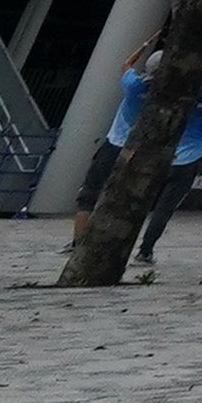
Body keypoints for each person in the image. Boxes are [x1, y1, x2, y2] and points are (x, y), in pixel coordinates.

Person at [121, 64, 202, 282]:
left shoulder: (182, 97)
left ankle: (120, 241)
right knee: (163, 208)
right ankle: (145, 250)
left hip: (163, 154)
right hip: (189, 160)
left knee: (139, 199)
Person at [72, 43, 161, 255]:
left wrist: (143, 47)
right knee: (126, 198)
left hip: (113, 146)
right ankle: (111, 244)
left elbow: (127, 64)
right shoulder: (164, 98)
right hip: (139, 152)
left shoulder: (134, 86)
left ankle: (78, 242)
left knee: (89, 193)